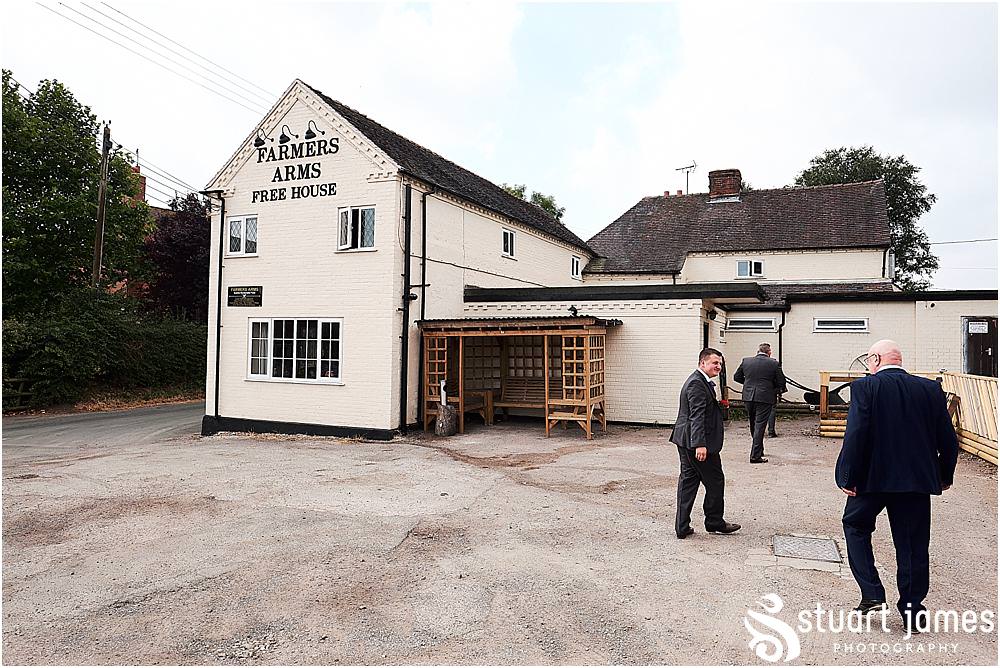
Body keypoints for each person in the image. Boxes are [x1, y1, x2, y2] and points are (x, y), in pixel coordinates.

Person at [835, 339, 958, 632]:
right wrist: (944, 474)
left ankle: (872, 593)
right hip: (915, 482)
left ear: (876, 359)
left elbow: (856, 434)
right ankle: (913, 612)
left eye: (869, 360)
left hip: (870, 481)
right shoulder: (930, 389)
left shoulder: (866, 388)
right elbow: (948, 439)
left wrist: (847, 476)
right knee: (913, 545)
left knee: (855, 526)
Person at [670, 348, 741, 539]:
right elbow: (696, 416)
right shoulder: (696, 384)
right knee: (715, 481)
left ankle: (682, 527)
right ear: (703, 363)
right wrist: (700, 445)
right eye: (714, 363)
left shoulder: (701, 381)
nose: (718, 366)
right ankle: (714, 522)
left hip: (685, 440)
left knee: (689, 482)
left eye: (720, 363)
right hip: (696, 443)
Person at [733, 343, 786, 463]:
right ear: (769, 352)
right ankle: (755, 456)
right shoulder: (773, 363)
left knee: (753, 424)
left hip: (748, 397)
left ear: (758, 351)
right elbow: (781, 382)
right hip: (765, 398)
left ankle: (759, 449)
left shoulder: (746, 361)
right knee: (760, 426)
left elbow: (736, 377)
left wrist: (748, 384)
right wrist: (772, 389)